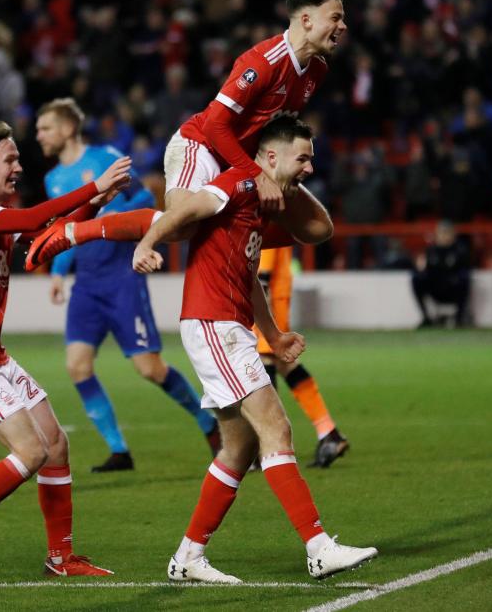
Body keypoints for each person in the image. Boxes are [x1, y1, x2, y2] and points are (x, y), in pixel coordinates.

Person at [132, 117, 377, 582]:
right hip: (213, 323)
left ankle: (188, 557)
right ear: (270, 157)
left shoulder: (261, 203)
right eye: (302, 157)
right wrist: (146, 242)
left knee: (239, 446)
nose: (309, 167)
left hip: (229, 324)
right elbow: (185, 208)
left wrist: (275, 333)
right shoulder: (240, 182)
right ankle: (318, 546)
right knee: (276, 426)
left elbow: (246, 277)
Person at [0, 121, 129, 582]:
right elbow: (35, 221)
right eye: (9, 160)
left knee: (55, 444)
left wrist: (93, 204)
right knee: (32, 451)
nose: (19, 167)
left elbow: (40, 242)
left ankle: (61, 557)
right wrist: (93, 185)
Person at [35, 98, 220, 472]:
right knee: (78, 367)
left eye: (45, 128)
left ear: (68, 128)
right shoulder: (52, 180)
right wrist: (58, 272)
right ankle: (119, 450)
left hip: (121, 278)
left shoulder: (105, 157)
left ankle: (209, 425)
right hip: (86, 284)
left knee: (149, 369)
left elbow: (142, 196)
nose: (39, 136)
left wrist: (111, 211)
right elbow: (66, 231)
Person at [162, 0, 345, 239]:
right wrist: (258, 176)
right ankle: (100, 228)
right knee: (179, 227)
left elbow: (272, 130)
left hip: (245, 160)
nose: (343, 26)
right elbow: (214, 125)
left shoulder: (317, 70)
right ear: (306, 20)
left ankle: (236, 240)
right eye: (335, 18)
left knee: (317, 229)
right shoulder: (263, 63)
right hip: (204, 146)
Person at [255, 246, 350, 468]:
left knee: (267, 359)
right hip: (274, 294)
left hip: (267, 298)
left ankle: (270, 445)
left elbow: (263, 268)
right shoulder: (272, 214)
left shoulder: (262, 215)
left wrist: (262, 306)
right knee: (284, 363)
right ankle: (329, 433)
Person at [411, 220, 472, 327]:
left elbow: (465, 269)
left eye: (447, 232)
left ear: (453, 234)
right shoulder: (431, 250)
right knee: (416, 278)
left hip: (452, 287)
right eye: (441, 233)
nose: (444, 236)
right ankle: (426, 318)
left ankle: (459, 318)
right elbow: (426, 270)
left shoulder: (460, 250)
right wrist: (420, 269)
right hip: (435, 288)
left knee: (464, 278)